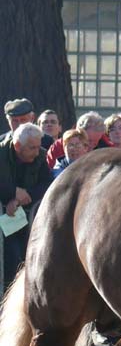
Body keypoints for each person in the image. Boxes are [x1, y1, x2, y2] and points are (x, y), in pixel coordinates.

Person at [0, 123, 53, 290]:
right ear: (17, 146)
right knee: (12, 258)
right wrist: (13, 192)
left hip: (23, 217)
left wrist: (22, 197)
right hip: (4, 216)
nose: (36, 152)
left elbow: (47, 184)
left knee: (25, 256)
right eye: (32, 148)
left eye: (38, 147)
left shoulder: (39, 156)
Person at [47, 111, 113, 168]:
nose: (89, 147)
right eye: (88, 141)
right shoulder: (59, 147)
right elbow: (49, 171)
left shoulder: (107, 149)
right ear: (78, 132)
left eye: (95, 143)